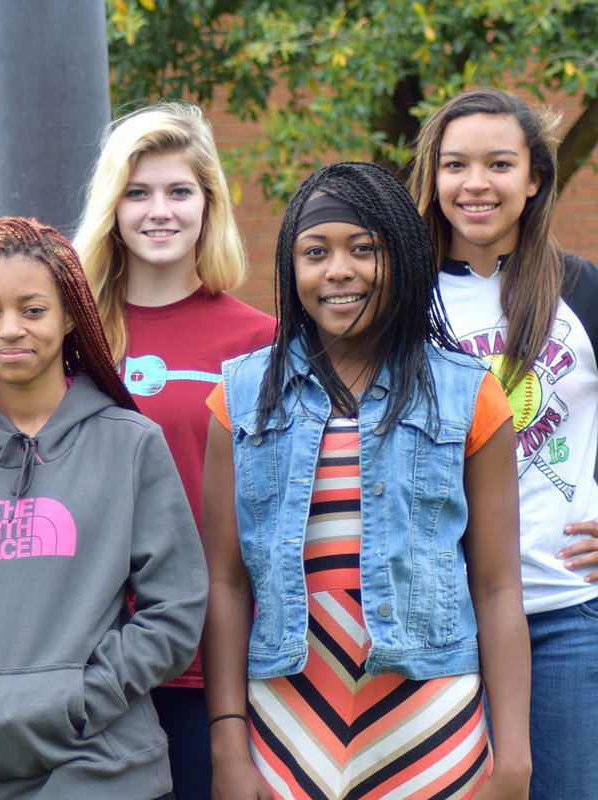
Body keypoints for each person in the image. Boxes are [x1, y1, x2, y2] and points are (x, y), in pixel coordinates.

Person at [202, 162, 531, 799]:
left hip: (431, 719)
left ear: (403, 259)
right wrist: (227, 746)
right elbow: (224, 580)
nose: (338, 270)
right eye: (315, 252)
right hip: (286, 718)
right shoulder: (240, 397)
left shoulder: (469, 396)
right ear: (292, 269)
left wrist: (513, 757)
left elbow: (495, 587)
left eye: (363, 249)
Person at [0, 216, 208, 800]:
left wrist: (82, 701)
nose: (10, 330)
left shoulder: (130, 443)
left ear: (71, 315)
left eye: (33, 310)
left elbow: (176, 611)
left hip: (106, 769)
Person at [74, 101, 274, 799]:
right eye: (137, 192)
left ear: (208, 205)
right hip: (83, 657)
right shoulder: (67, 338)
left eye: (179, 191)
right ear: (113, 208)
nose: (159, 211)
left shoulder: (261, 342)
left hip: (213, 663)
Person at [409, 87, 598, 800]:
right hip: (434, 623)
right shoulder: (400, 301)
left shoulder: (581, 291)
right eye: (455, 165)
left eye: (499, 164)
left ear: (535, 178)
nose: (476, 184)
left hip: (564, 614)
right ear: (433, 178)